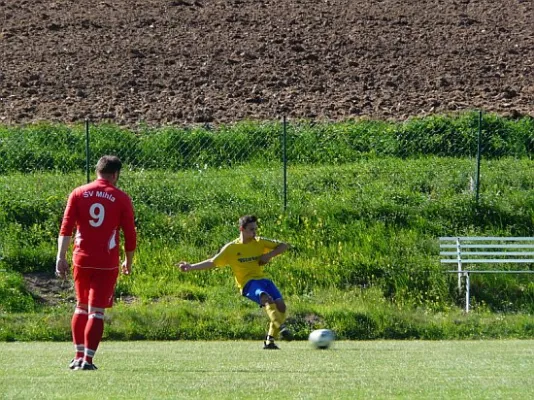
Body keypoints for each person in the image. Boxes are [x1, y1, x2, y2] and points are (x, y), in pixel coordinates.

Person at [55, 155, 137, 370]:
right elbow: (130, 234)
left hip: (81, 259)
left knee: (81, 307)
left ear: (97, 171)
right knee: (96, 311)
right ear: (115, 174)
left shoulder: (78, 193)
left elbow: (66, 228)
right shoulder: (121, 197)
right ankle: (88, 360)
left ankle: (77, 356)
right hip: (106, 261)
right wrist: (128, 261)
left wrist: (60, 257)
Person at [178, 215, 292, 349]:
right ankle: (282, 328)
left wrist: (268, 255)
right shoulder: (231, 248)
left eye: (256, 229)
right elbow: (212, 262)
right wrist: (191, 267)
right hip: (248, 284)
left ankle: (269, 340)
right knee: (265, 298)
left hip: (263, 280)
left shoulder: (260, 242)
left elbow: (284, 246)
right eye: (251, 229)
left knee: (281, 307)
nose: (254, 232)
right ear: (241, 229)